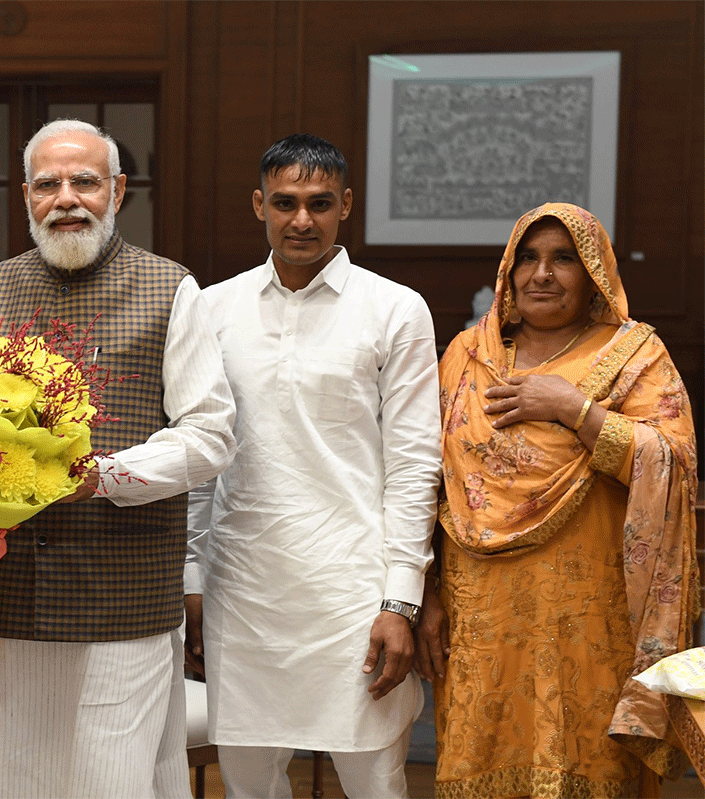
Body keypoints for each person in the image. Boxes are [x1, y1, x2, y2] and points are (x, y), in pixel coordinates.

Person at [0, 118, 237, 799]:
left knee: (109, 778)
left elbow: (210, 435)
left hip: (121, 597)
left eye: (85, 181)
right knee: (0, 774)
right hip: (9, 600)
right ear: (25, 195)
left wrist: (101, 476)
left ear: (119, 189)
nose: (67, 198)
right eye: (48, 184)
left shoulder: (170, 289)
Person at [184, 133, 442, 799]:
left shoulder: (395, 308)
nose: (302, 219)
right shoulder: (212, 308)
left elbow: (415, 462)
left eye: (320, 203)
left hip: (352, 591)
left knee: (375, 779)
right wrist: (191, 577)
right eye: (286, 202)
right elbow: (198, 455)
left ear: (346, 205)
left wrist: (400, 600)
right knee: (246, 783)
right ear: (258, 205)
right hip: (243, 589)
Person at [415, 202, 699, 798]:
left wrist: (574, 409)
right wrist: (427, 590)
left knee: (587, 762)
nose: (542, 274)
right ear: (508, 270)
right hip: (482, 619)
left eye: (563, 258)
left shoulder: (636, 355)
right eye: (529, 257)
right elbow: (425, 481)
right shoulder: (466, 356)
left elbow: (671, 464)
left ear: (594, 271)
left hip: (591, 618)